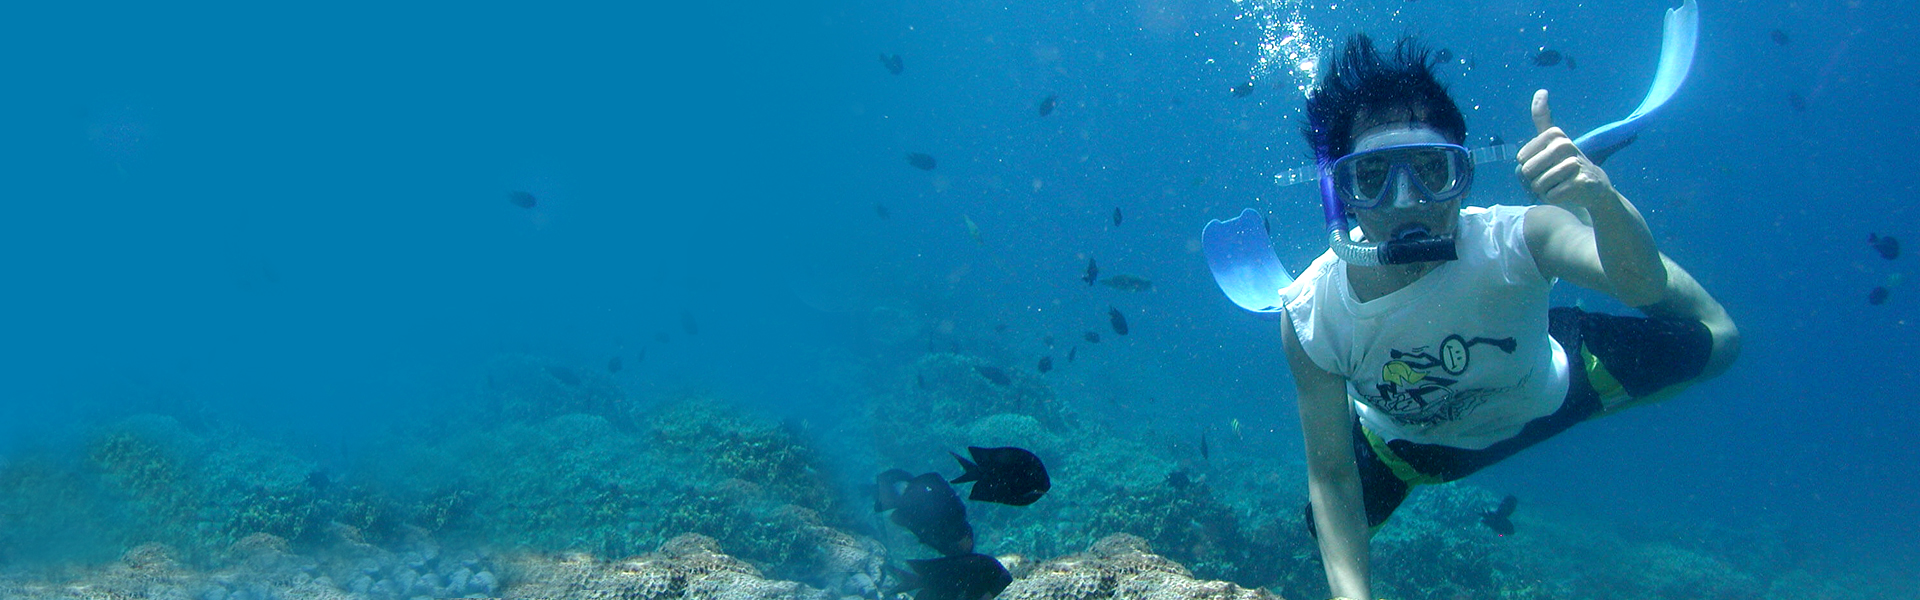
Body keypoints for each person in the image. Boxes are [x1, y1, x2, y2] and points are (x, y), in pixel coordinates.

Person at [1277, 34, 1740, 600]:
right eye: (1372, 178)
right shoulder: (1310, 314)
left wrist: (1600, 202)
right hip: (1407, 454)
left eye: (1431, 170)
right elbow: (1332, 478)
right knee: (1321, 529)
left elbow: (1642, 285)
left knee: (1723, 342)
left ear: (1463, 174)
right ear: (1340, 195)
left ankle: (1599, 207)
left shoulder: (1521, 237)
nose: (1406, 202)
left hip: (1560, 387)